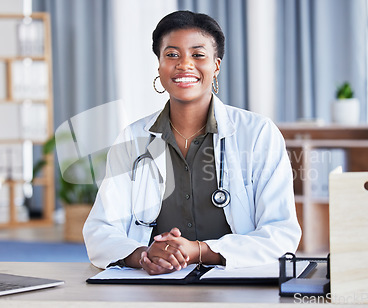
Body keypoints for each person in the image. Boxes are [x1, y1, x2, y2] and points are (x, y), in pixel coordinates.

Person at [83, 10, 301, 275]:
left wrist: (198, 251)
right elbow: (100, 229)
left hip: (237, 281)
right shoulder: (132, 138)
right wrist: (144, 255)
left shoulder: (258, 133)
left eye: (198, 55)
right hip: (151, 284)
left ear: (216, 66)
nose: (184, 64)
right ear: (159, 66)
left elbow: (280, 232)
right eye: (172, 55)